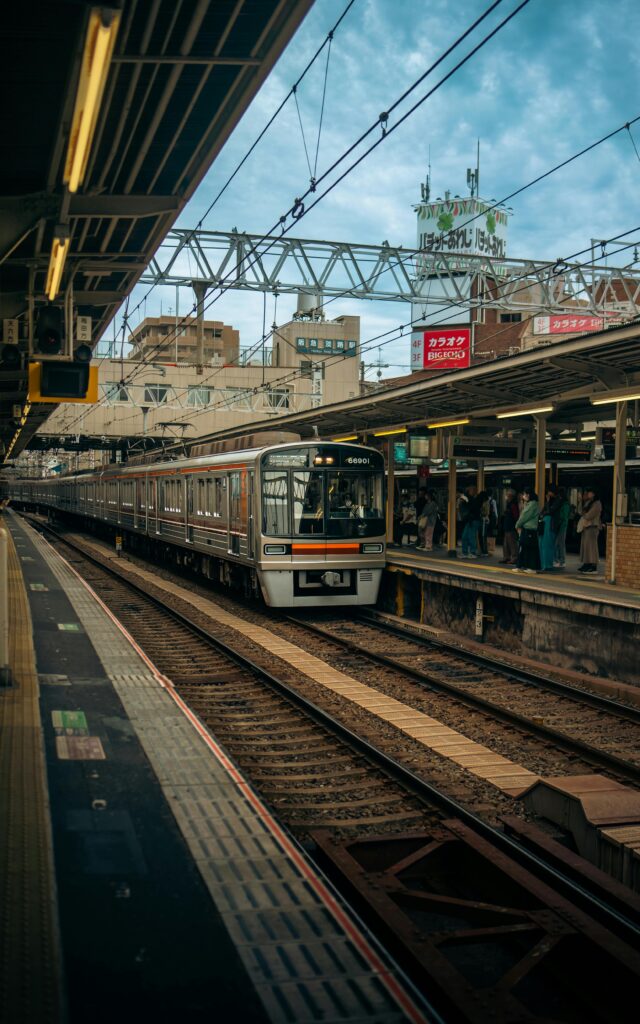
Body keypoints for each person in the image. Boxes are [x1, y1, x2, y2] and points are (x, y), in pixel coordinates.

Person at [514, 488, 541, 573]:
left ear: (528, 495)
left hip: (529, 530)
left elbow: (524, 516)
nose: (523, 496)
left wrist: (517, 525)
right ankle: (521, 566)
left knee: (529, 549)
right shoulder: (530, 504)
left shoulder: (532, 505)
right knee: (524, 548)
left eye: (524, 494)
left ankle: (531, 568)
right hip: (528, 530)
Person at [578, 488, 602, 573]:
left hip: (593, 526)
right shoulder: (588, 502)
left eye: (589, 493)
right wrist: (581, 501)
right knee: (585, 546)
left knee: (592, 547)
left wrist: (584, 515)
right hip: (586, 527)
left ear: (594, 494)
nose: (588, 494)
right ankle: (586, 563)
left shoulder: (597, 504)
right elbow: (581, 512)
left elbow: (589, 515)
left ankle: (593, 565)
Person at [538, 487, 557, 571]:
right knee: (542, 544)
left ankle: (547, 564)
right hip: (545, 524)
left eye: (549, 493)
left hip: (550, 524)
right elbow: (543, 511)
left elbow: (550, 511)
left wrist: (548, 502)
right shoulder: (548, 502)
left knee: (547, 545)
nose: (547, 495)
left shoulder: (556, 502)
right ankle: (543, 563)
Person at [460, 485, 482, 557]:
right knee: (464, 536)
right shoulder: (470, 499)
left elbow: (473, 509)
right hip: (470, 520)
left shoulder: (474, 500)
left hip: (474, 520)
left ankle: (473, 552)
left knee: (471, 536)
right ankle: (465, 552)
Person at [500, 488, 519, 564]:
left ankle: (514, 557)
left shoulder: (513, 504)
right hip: (507, 526)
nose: (506, 496)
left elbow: (516, 516)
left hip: (511, 526)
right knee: (506, 543)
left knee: (512, 543)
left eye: (507, 495)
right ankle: (506, 557)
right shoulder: (509, 504)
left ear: (511, 496)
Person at [552, 487, 570, 567]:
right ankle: (558, 560)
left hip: (562, 525)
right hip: (559, 525)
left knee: (560, 543)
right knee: (558, 543)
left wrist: (561, 521)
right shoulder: (562, 503)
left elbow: (564, 516)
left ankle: (561, 561)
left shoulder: (565, 504)